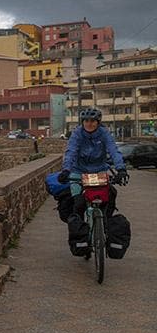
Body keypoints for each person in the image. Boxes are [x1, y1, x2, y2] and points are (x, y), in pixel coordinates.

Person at [57, 107, 128, 256]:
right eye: (87, 121)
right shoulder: (77, 134)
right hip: (78, 171)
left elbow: (113, 150)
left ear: (98, 122)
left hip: (99, 170)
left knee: (108, 197)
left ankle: (104, 227)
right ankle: (81, 235)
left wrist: (121, 169)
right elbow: (71, 152)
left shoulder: (104, 133)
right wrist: (66, 170)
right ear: (83, 122)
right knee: (78, 203)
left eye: (93, 121)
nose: (89, 124)